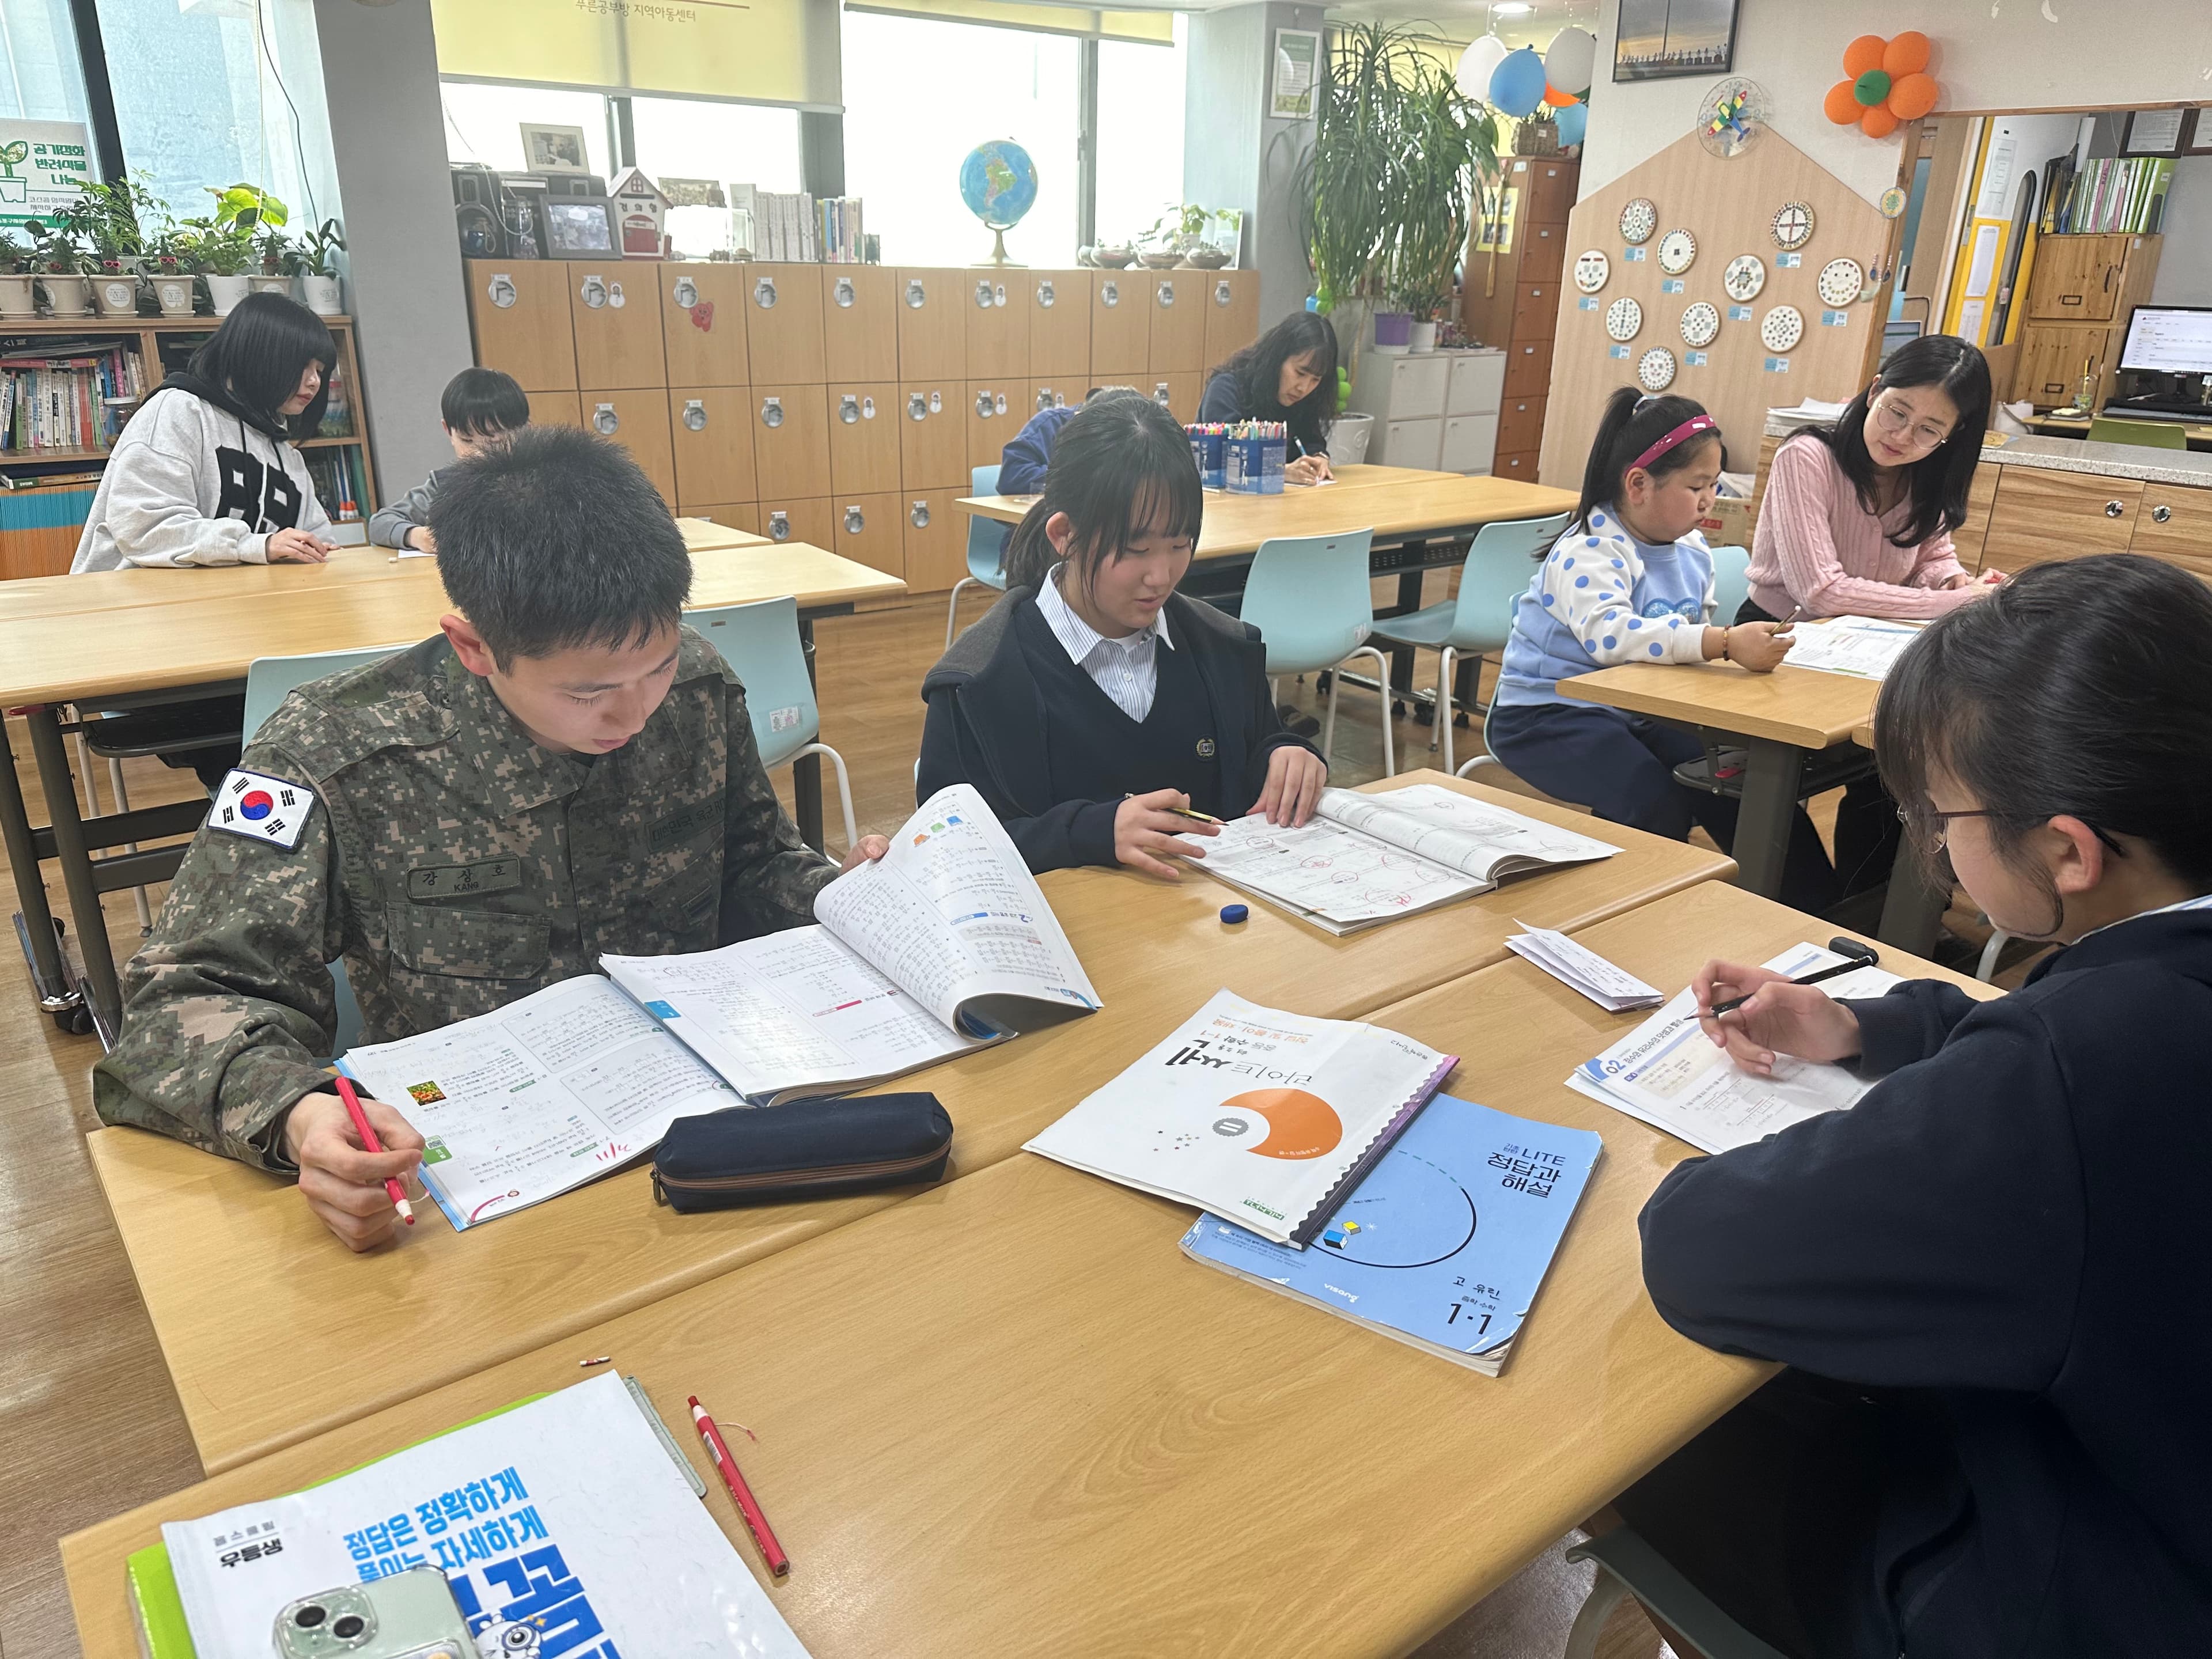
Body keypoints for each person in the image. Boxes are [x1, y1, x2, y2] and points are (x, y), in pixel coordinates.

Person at [92, 425, 888, 1252]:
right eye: (589, 694)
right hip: (480, 1183)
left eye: (653, 667)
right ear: (474, 647)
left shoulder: (696, 685)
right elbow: (179, 1002)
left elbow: (754, 864)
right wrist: (298, 1113)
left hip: (711, 1141)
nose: (637, 711)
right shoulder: (326, 757)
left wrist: (844, 894)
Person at [1627, 555, 2212, 1658]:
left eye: (1942, 816)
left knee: (1650, 1440)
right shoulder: (2145, 996)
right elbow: (2079, 1039)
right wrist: (1868, 1027)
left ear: (2069, 851)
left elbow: (1705, 1249)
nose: (1935, 848)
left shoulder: (2074, 1078)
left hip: (2092, 1588)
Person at [918, 390, 1328, 878]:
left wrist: (1288, 754)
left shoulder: (1223, 648)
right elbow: (944, 849)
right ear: (1064, 534)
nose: (1162, 576)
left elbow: (1258, 742)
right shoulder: (980, 683)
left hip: (1215, 931)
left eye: (1179, 544)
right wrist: (1089, 833)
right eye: (1135, 549)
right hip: (1073, 942)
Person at [1486, 388, 1840, 910]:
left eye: (1714, 485)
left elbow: (1681, 645)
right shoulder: (1589, 549)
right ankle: (1627, 918)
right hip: (1545, 714)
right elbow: (1613, 638)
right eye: (1696, 485)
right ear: (1638, 485)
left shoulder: (1692, 550)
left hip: (1636, 710)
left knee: (1739, 781)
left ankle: (1817, 912)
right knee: (1653, 801)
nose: (1709, 499)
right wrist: (1722, 644)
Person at [1744, 335, 2003, 897]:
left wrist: (1956, 580)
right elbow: (1821, 591)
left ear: (1952, 435)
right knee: (1871, 762)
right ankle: (1834, 910)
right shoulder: (1807, 457)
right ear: (1876, 390)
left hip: (1870, 645)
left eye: (1928, 431)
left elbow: (1932, 553)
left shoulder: (1923, 476)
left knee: (1898, 773)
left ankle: (1873, 915)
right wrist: (1957, 603)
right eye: (1897, 412)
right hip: (1781, 643)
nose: (1904, 437)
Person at [70, 291, 340, 785]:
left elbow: (318, 542)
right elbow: (143, 526)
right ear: (261, 353)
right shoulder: (177, 412)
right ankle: (258, 836)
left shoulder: (286, 454)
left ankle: (288, 832)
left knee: (337, 700)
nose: (314, 382)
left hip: (240, 646)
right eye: (305, 365)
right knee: (286, 728)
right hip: (147, 646)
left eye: (321, 369)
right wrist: (254, 545)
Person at [369, 366, 530, 556]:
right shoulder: (445, 484)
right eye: (467, 440)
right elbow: (379, 523)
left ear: (524, 431)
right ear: (448, 431)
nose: (480, 454)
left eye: (496, 443)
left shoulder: (543, 478)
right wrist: (417, 536)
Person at [1197, 312, 1339, 485]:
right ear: (1277, 359)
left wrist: (1319, 459)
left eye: (1316, 380)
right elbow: (1226, 458)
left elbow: (1311, 441)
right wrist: (1279, 472)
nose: (1304, 388)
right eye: (1300, 373)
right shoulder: (1226, 389)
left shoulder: (1303, 399)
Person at [996, 385, 1131, 495]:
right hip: (1044, 521)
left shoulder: (1136, 433)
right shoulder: (1048, 425)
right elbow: (1011, 478)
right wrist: (1077, 475)